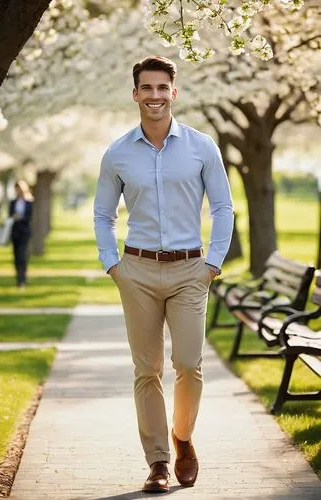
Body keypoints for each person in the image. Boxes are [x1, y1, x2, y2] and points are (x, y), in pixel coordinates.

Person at [94, 56, 234, 493]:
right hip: (135, 270)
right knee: (147, 368)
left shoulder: (201, 147)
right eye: (146, 88)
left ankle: (183, 439)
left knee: (189, 365)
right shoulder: (117, 152)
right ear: (135, 93)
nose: (155, 96)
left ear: (175, 93)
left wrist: (213, 262)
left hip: (192, 270)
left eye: (162, 88)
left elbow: (224, 207)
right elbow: (102, 214)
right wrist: (111, 264)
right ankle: (157, 461)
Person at [9, 180, 33, 288]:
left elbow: (30, 217)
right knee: (16, 256)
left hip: (24, 231)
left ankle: (23, 278)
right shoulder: (13, 202)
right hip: (15, 232)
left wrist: (21, 217)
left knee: (22, 255)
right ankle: (19, 277)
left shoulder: (29, 202)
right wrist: (14, 217)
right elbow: (9, 216)